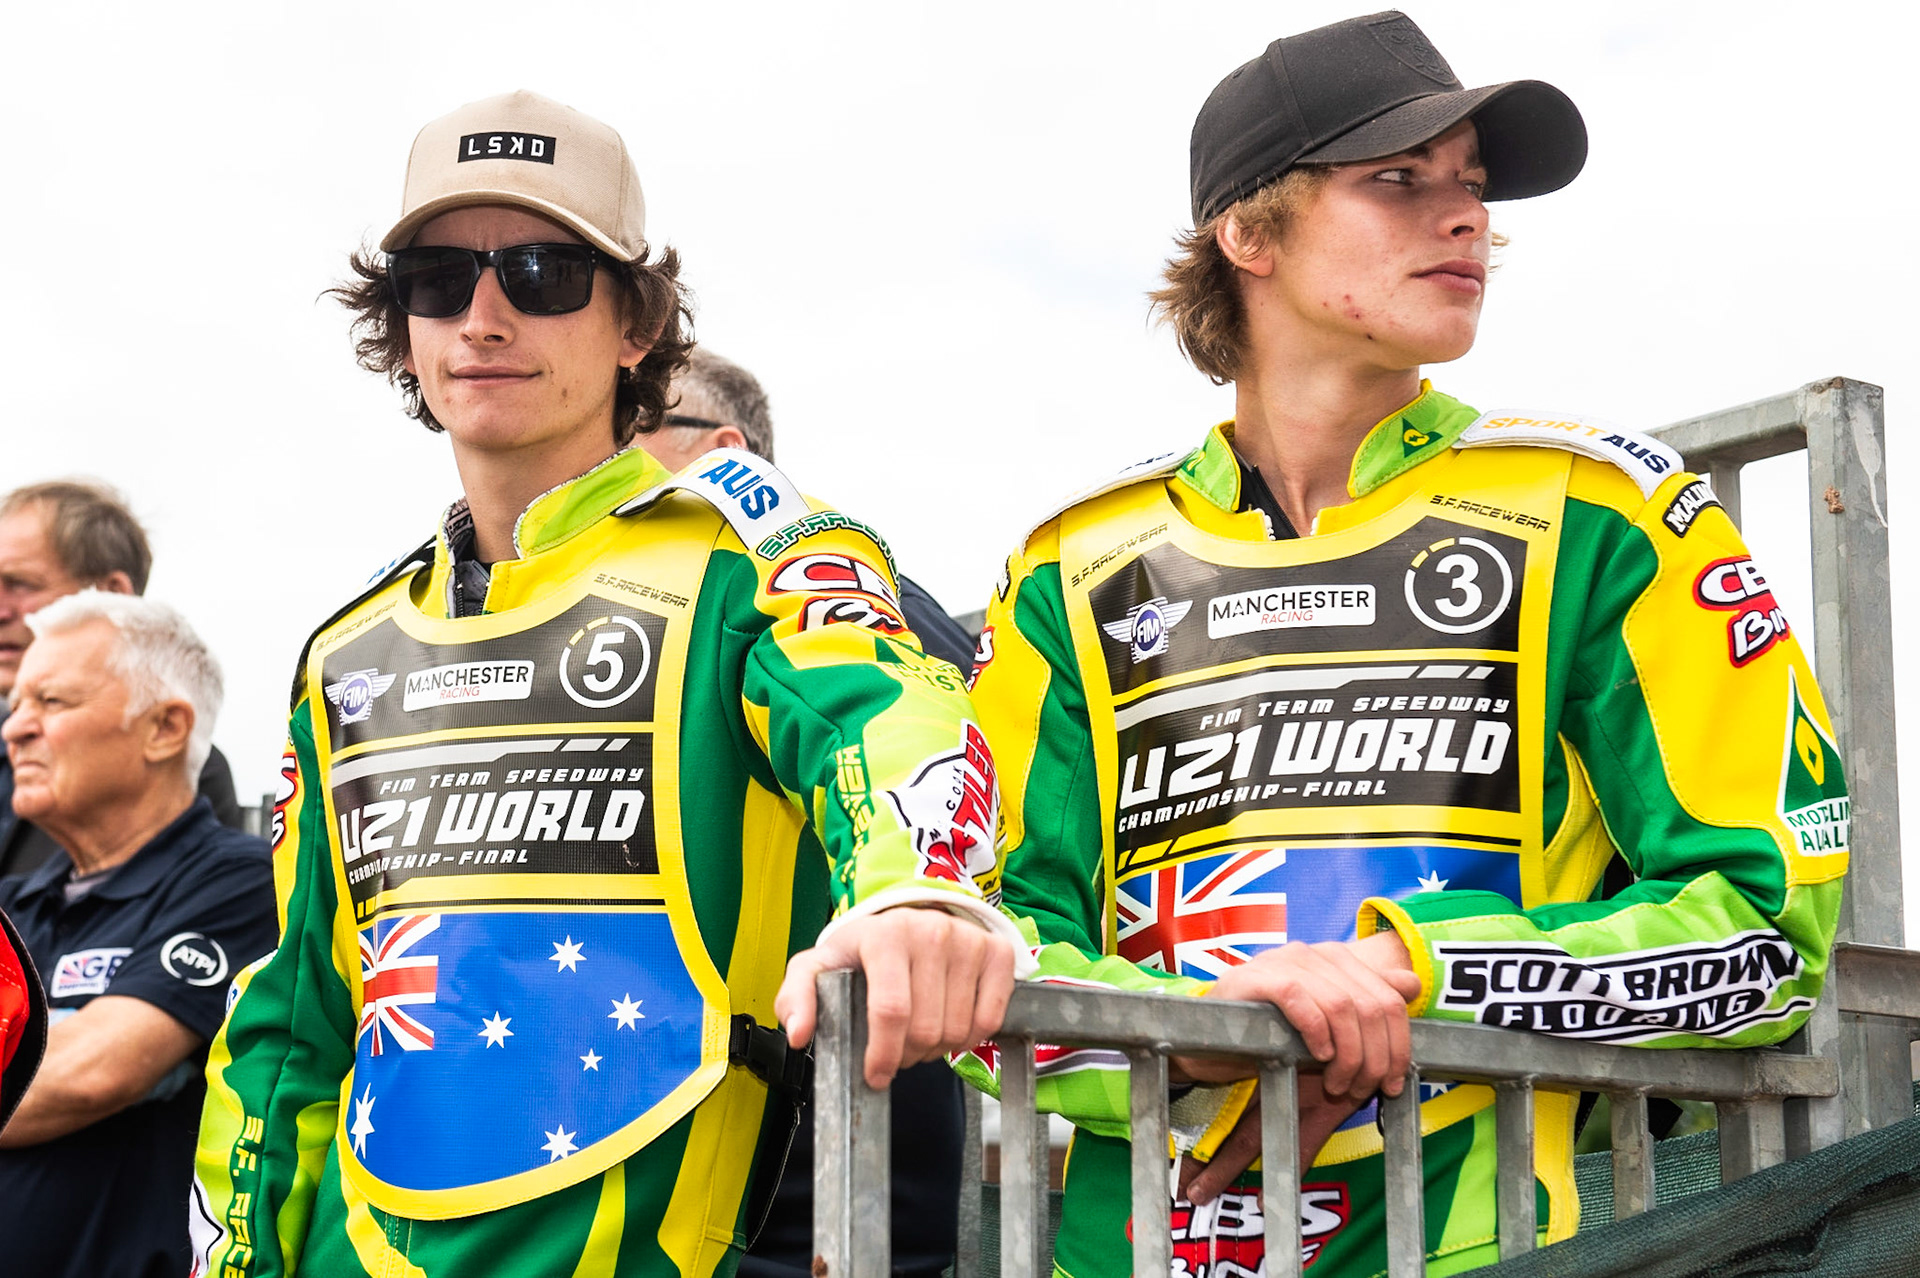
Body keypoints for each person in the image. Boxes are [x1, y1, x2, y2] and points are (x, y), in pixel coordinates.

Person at [959, 12, 1848, 1276]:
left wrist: (1403, 974)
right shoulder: (1072, 566)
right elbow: (974, 935)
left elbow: (1768, 936)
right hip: (1134, 1244)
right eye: (1400, 181)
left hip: (1494, 1242)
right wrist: (1211, 1035)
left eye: (1473, 188)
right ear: (1248, 233)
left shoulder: (1603, 515)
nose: (1466, 219)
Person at [192, 90, 1022, 1278]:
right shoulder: (348, 646)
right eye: (438, 276)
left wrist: (915, 897)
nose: (484, 315)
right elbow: (291, 1031)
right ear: (404, 322)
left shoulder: (753, 555)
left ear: (637, 322)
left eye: (541, 272)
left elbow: (891, 721)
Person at [646, 348, 974, 1278]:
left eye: (633, 435)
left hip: (826, 1184)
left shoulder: (868, 619)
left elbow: (936, 776)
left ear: (724, 453)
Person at [0, 591, 276, 1278]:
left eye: (51, 703)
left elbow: (85, 1074)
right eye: (16, 703)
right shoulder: (13, 903)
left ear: (164, 728)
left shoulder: (241, 880)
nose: (15, 729)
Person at [0, 481, 243, 880]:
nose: (18, 731)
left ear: (111, 593)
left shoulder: (180, 775)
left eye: (21, 583)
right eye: (20, 709)